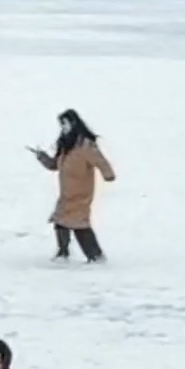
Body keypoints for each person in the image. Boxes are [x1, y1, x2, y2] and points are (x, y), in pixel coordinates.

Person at [32, 109, 116, 263]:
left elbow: (100, 160)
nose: (62, 127)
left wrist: (108, 174)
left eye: (64, 123)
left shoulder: (85, 145)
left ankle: (95, 255)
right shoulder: (65, 145)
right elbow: (55, 165)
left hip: (80, 193)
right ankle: (63, 253)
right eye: (61, 124)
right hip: (66, 194)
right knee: (60, 222)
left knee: (79, 225)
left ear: (73, 123)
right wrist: (42, 157)